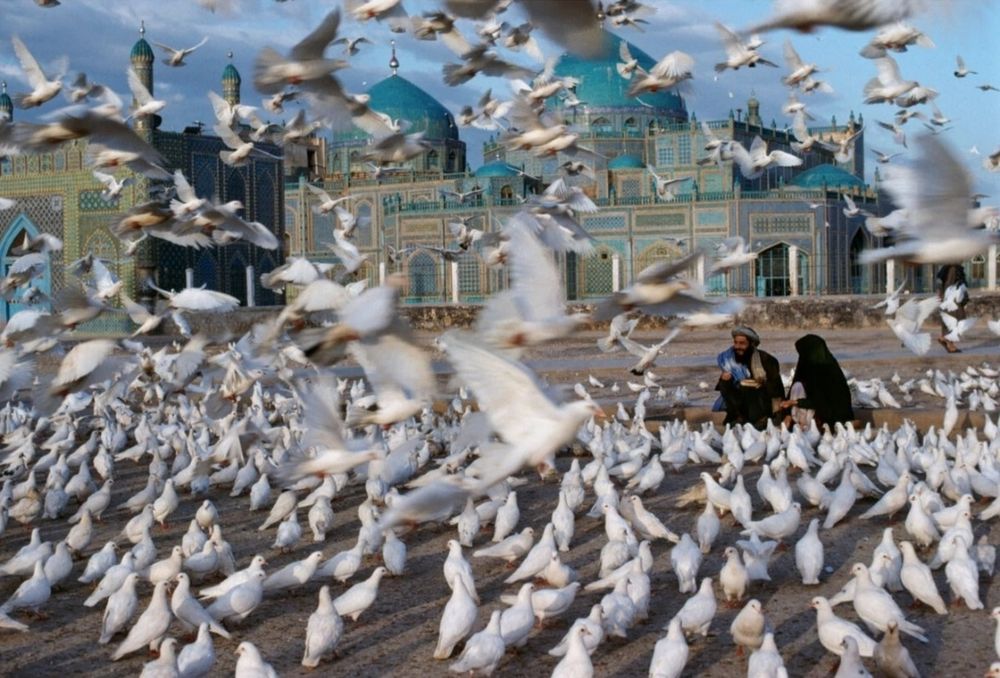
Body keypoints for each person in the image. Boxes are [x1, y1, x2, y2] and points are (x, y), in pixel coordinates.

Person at [779, 334, 854, 430]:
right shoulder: (805, 367)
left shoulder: (829, 371)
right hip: (808, 410)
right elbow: (794, 391)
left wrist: (795, 402)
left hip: (831, 415)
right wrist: (788, 414)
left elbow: (821, 402)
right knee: (797, 386)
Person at [714, 326, 784, 430]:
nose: (737, 347)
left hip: (761, 409)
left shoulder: (766, 360)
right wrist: (724, 380)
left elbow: (777, 390)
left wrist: (761, 383)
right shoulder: (730, 361)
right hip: (739, 410)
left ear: (752, 344)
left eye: (742, 343)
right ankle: (738, 418)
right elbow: (726, 392)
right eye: (735, 343)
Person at [936, 263, 968, 353]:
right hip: (953, 299)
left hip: (948, 298)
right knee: (956, 319)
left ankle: (945, 338)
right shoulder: (953, 268)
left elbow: (941, 283)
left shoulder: (947, 267)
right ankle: (949, 342)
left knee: (949, 319)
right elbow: (950, 284)